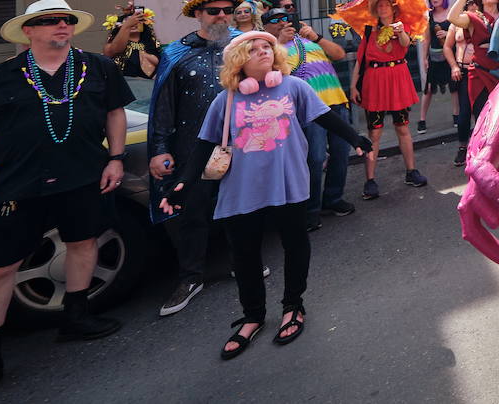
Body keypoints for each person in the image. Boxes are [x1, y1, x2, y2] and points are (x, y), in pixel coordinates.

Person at [0, 0, 130, 402]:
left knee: (83, 244)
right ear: (28, 31)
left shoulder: (97, 67)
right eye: (49, 21)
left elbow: (115, 113)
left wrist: (116, 158)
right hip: (20, 187)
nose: (61, 26)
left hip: (85, 178)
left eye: (66, 20)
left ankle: (76, 316)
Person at [158, 31, 372, 360]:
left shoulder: (294, 87)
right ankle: (253, 316)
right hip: (242, 189)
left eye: (267, 48)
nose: (264, 52)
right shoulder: (226, 99)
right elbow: (205, 143)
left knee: (295, 245)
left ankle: (293, 307)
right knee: (244, 255)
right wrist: (184, 182)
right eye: (254, 49)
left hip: (288, 183)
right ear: (239, 59)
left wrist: (356, 138)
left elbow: (325, 116)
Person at [147, 0, 245, 317]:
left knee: (239, 208)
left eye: (226, 11)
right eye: (214, 11)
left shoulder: (241, 49)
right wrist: (160, 148)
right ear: (198, 14)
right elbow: (163, 105)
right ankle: (191, 277)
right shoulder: (176, 53)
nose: (221, 16)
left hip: (240, 146)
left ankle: (240, 263)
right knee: (192, 214)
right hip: (193, 149)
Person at [262, 8, 355, 231]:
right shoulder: (267, 48)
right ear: (265, 27)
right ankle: (310, 209)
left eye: (286, 18)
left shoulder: (309, 40)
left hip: (336, 102)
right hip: (309, 111)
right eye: (275, 20)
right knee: (314, 158)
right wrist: (279, 43)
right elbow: (271, 74)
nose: (283, 23)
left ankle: (333, 199)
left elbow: (339, 54)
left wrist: (316, 37)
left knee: (341, 153)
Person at [333, 0, 429, 198]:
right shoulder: (369, 30)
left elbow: (405, 45)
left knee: (403, 128)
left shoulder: (402, 27)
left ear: (393, 9)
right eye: (380, 5)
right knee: (374, 133)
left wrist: (401, 31)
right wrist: (353, 86)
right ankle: (370, 180)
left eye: (387, 4)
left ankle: (411, 171)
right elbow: (360, 61)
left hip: (398, 79)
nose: (383, 8)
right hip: (375, 82)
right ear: (376, 10)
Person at [446, 0, 499, 167]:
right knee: (477, 116)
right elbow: (452, 17)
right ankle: (477, 155)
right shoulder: (472, 18)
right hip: (477, 73)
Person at [417, 0, 454, 134]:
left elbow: (458, 32)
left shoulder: (451, 14)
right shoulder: (429, 17)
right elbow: (426, 39)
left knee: (454, 87)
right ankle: (422, 119)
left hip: (450, 55)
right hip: (434, 56)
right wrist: (424, 58)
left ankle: (456, 116)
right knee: (429, 88)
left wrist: (447, 33)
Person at [101, 1, 161, 79]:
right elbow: (115, 49)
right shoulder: (111, 45)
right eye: (127, 21)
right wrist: (127, 26)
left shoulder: (151, 45)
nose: (133, 23)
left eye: (136, 21)